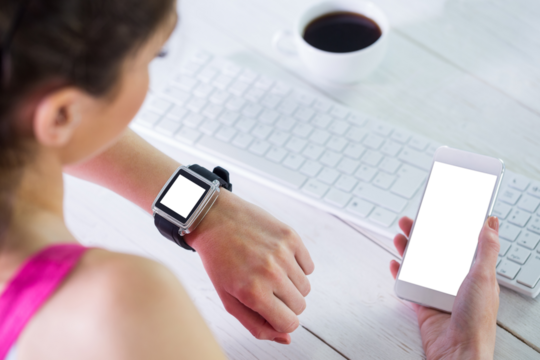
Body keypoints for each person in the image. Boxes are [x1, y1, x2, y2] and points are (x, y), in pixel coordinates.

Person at [0, 0, 500, 359]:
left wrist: (205, 210)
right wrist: (462, 352)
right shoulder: (117, 308)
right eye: (153, 57)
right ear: (62, 113)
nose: (152, 80)